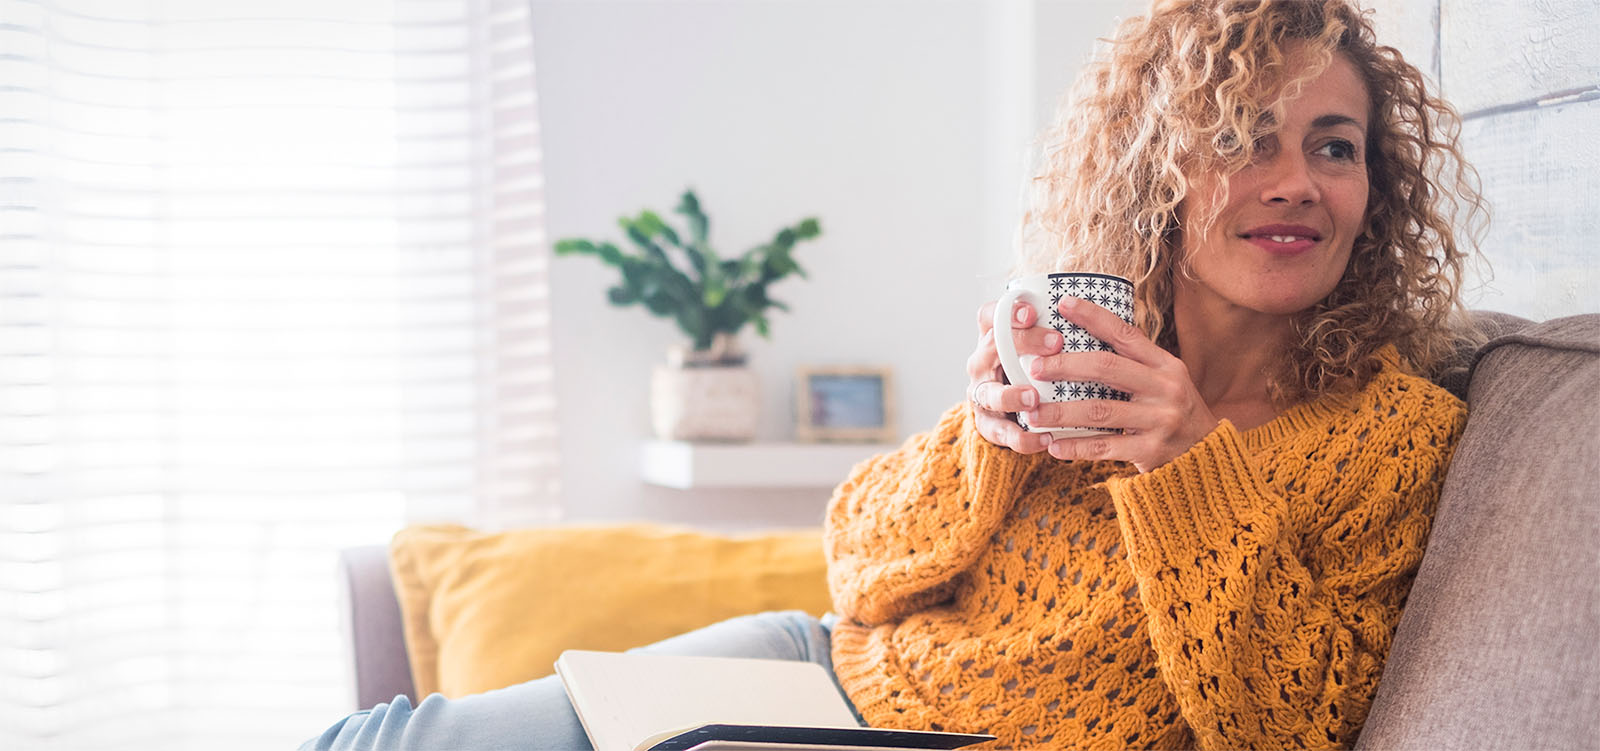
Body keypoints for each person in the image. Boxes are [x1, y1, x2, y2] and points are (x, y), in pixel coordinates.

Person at [301, 0, 1485, 748]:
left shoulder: (1395, 434)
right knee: (383, 737)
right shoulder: (1082, 351)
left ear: (1373, 188)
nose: (1293, 180)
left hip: (923, 741)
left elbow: (1296, 722)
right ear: (1159, 179)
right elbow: (861, 568)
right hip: (819, 668)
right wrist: (982, 437)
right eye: (1241, 140)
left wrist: (1183, 467)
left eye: (1332, 146)